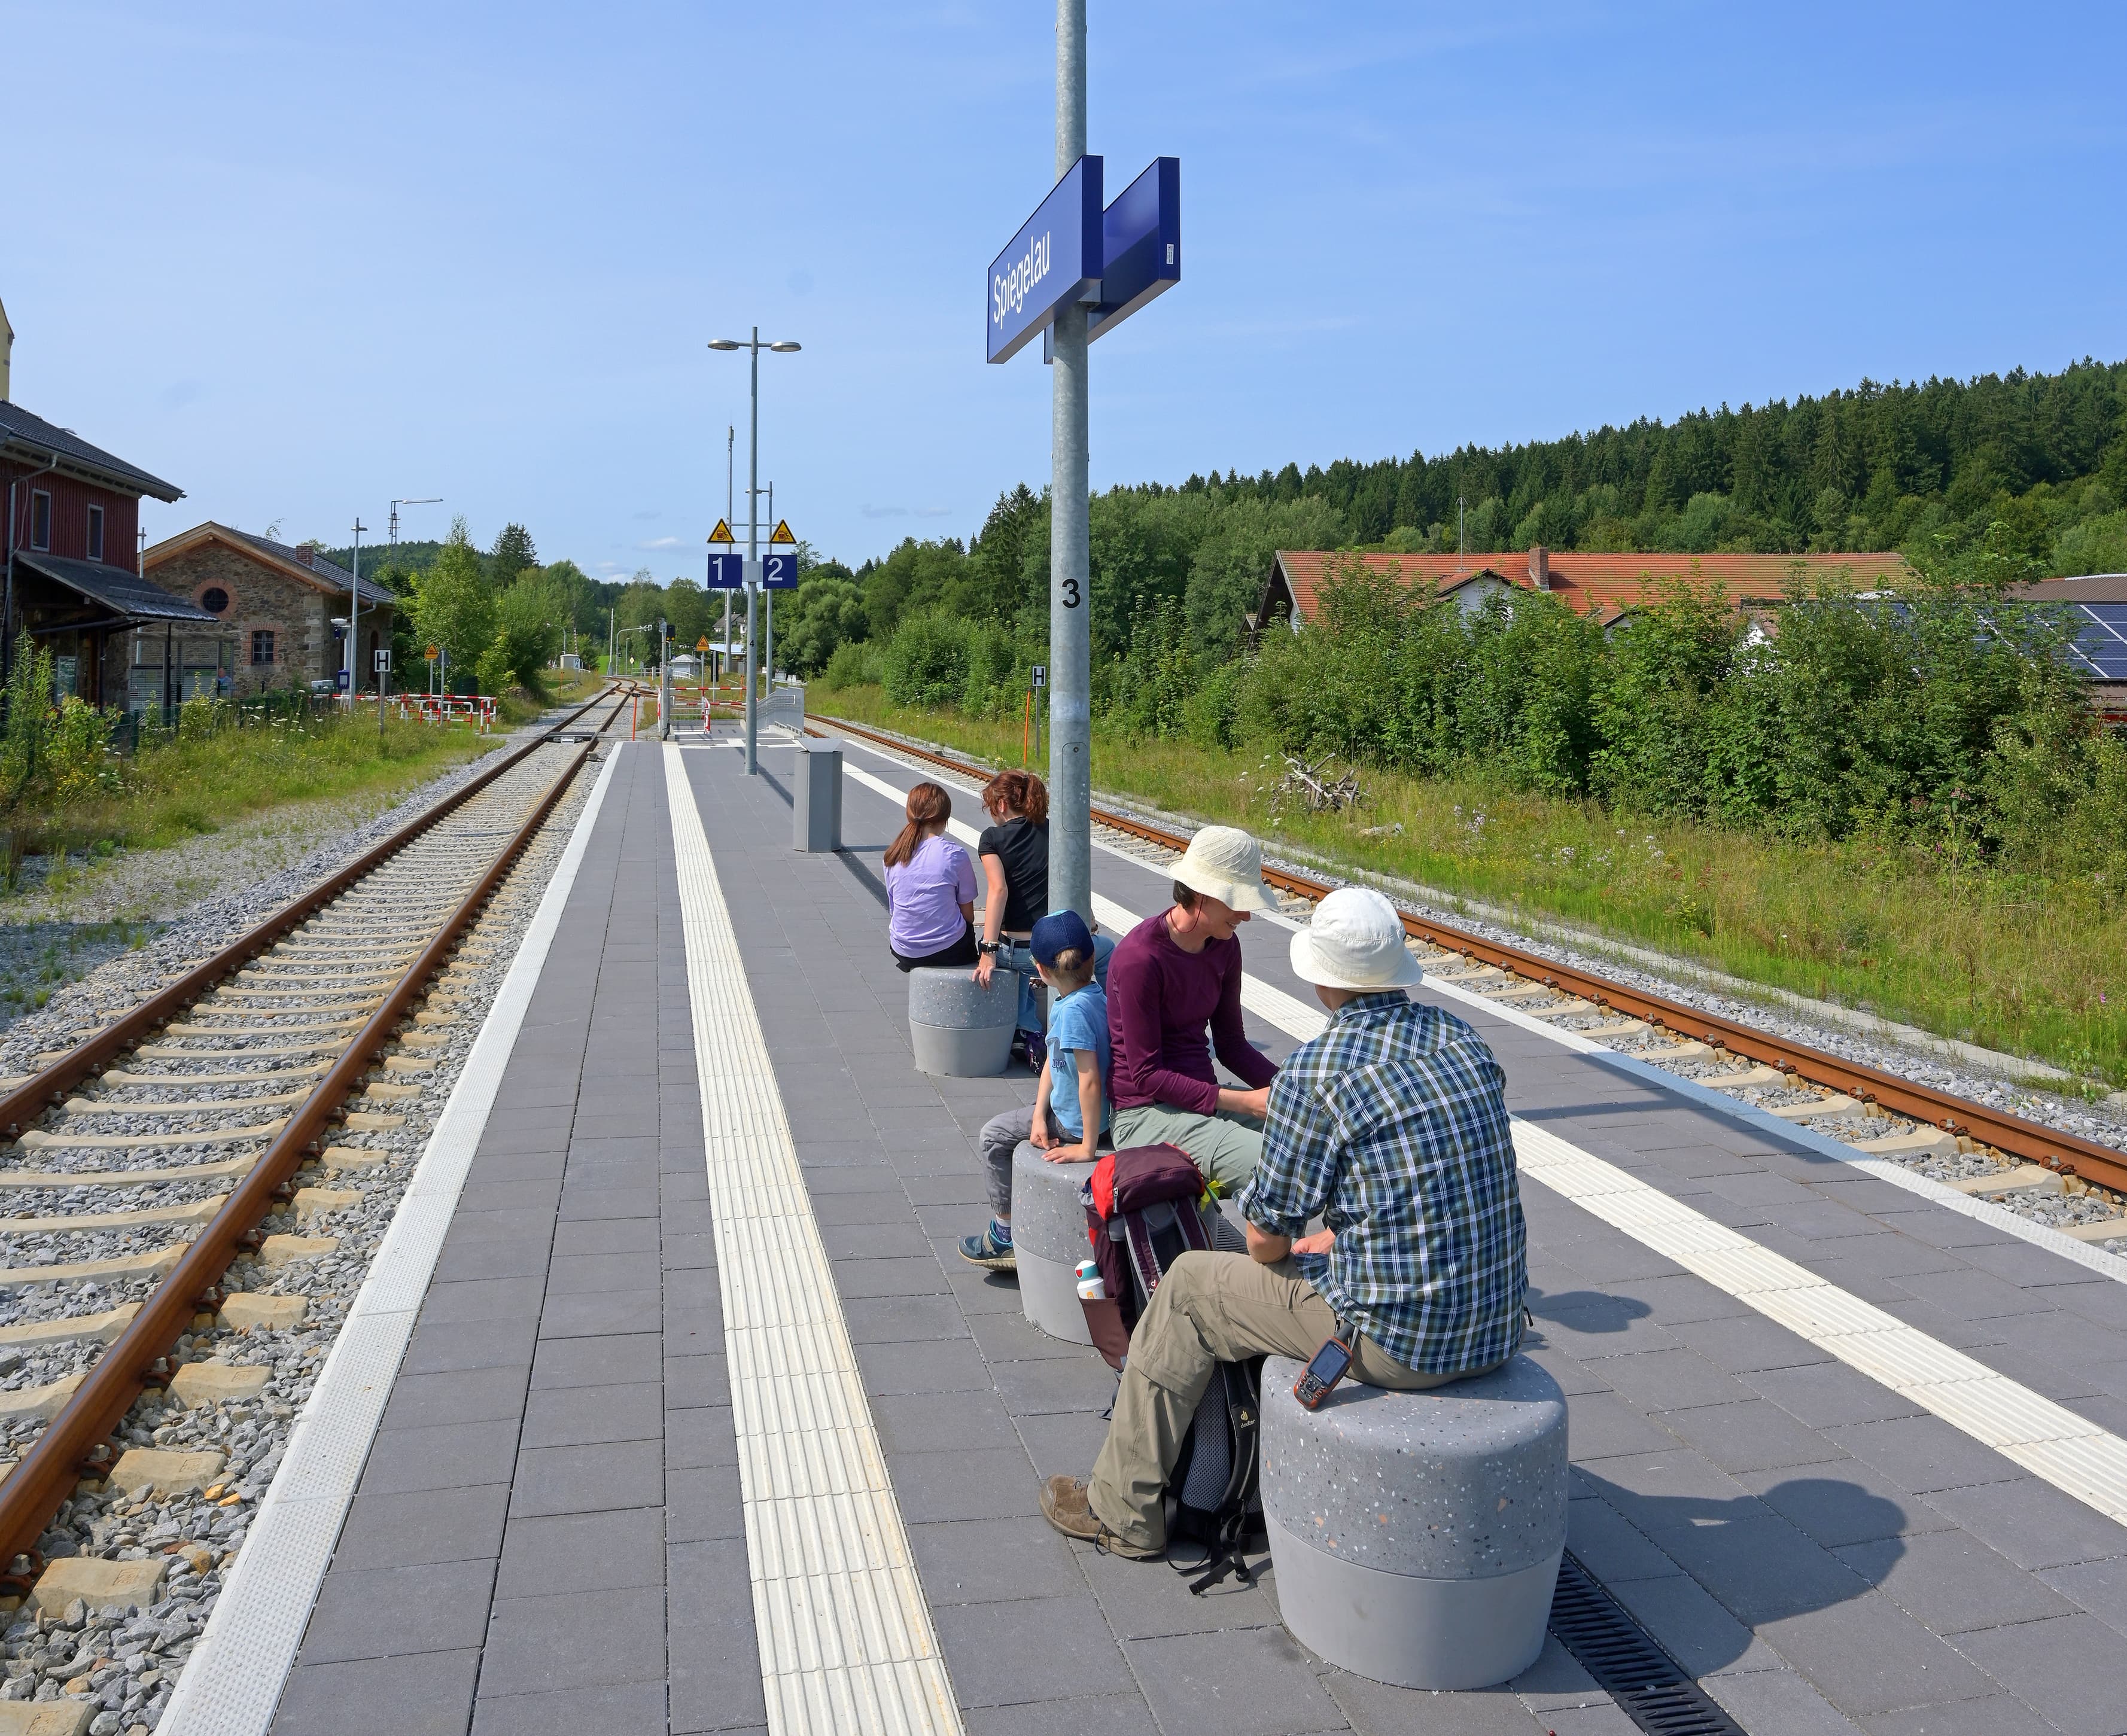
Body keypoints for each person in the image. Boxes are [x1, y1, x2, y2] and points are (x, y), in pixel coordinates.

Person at [1037, 886, 1529, 1560]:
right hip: (1498, 1325)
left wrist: (1292, 1247)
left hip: (1399, 1345)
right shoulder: (1461, 1038)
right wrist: (1341, 1234)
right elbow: (1437, 1178)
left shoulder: (1318, 1070)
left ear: (1323, 977)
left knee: (1188, 1288)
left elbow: (1267, 1241)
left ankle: (1123, 1510)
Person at [1106, 826, 1280, 1193]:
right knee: (1276, 1165)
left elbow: (1231, 1044)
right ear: (1203, 895)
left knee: (1320, 1141)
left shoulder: (1225, 946)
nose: (1246, 916)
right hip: (1144, 1113)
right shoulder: (1140, 959)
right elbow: (1147, 1075)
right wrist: (1247, 1103)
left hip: (1202, 1100)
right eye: (1238, 902)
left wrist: (1290, 1091)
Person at [958, 909, 1111, 1270]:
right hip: (1062, 1112)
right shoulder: (1089, 997)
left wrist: (1088, 1146)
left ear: (1039, 970)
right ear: (1091, 957)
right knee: (1020, 1123)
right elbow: (1052, 1065)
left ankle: (1003, 1236)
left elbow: (1089, 1079)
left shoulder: (1073, 1013)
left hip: (1076, 1123)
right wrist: (1039, 1113)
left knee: (994, 1136)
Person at [972, 770, 1049, 1049]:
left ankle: (1024, 1027)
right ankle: (1027, 1026)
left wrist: (988, 952)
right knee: (1104, 954)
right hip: (1048, 947)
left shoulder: (992, 838)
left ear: (1002, 804)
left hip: (1012, 951)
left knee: (1011, 966)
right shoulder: (1052, 831)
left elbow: (999, 890)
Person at [884, 782, 978, 971]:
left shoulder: (893, 855)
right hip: (949, 950)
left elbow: (895, 908)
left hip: (903, 948)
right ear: (945, 818)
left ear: (909, 814)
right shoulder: (954, 855)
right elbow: (969, 916)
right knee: (967, 931)